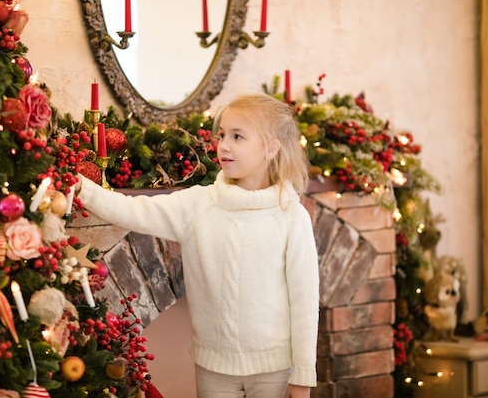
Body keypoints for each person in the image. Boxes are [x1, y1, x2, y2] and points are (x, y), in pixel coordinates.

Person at [75, 93, 320, 398]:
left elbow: (305, 301)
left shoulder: (291, 216)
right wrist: (82, 188)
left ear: (271, 148)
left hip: (273, 370)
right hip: (213, 369)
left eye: (238, 136)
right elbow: (133, 210)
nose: (224, 145)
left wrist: (302, 377)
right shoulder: (198, 204)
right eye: (222, 135)